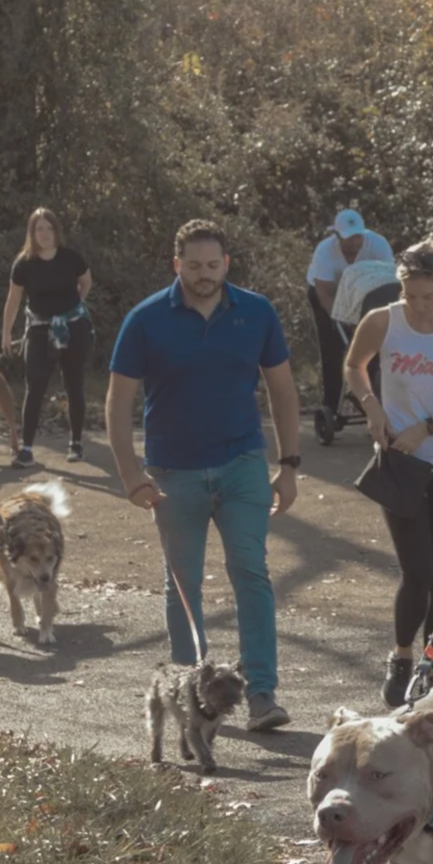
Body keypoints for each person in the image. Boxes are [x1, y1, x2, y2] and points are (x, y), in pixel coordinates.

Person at [106, 219, 301, 732]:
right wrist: (130, 472)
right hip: (174, 473)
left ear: (226, 264)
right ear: (177, 265)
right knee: (183, 585)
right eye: (193, 265)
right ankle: (193, 694)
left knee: (251, 573)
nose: (204, 274)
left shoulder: (255, 312)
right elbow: (118, 400)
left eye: (213, 265)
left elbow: (282, 391)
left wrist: (290, 465)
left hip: (242, 465)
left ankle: (261, 694)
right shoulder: (146, 319)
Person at [344, 241, 433, 707]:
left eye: (428, 296)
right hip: (401, 465)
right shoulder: (383, 321)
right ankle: (402, 655)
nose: (419, 306)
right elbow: (354, 365)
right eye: (410, 295)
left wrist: (426, 427)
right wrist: (371, 410)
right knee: (417, 570)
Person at [2, 208, 93, 465]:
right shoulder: (23, 264)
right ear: (32, 233)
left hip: (73, 328)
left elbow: (86, 281)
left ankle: (76, 443)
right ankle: (27, 449)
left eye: (49, 228)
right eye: (39, 229)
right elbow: (14, 300)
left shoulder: (70, 258)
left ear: (56, 231)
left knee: (74, 384)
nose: (44, 234)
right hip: (39, 330)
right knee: (35, 387)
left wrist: (76, 305)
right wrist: (7, 333)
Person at [307, 209, 394, 420]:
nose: (355, 243)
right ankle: (330, 405)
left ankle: (376, 399)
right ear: (336, 236)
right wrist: (344, 322)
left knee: (376, 347)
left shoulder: (378, 244)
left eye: (358, 236)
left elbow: (390, 283)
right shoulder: (325, 252)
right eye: (349, 238)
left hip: (367, 296)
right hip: (328, 296)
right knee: (333, 348)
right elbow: (325, 294)